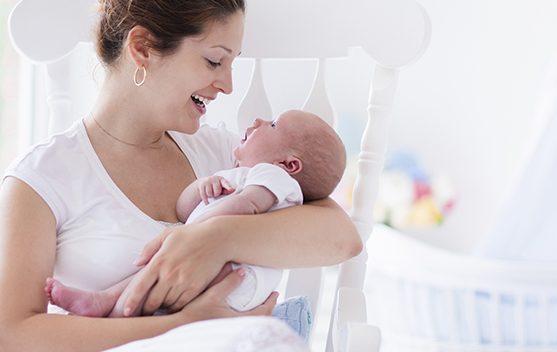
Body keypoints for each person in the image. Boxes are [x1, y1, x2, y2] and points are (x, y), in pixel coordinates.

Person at [0, 0, 361, 352]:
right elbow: (7, 351)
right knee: (265, 351)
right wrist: (188, 324)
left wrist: (215, 238)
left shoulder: (227, 154)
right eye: (214, 61)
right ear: (142, 48)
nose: (228, 85)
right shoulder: (43, 179)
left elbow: (341, 237)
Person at [44, 109, 346, 317]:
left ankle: (107, 304)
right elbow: (183, 208)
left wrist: (197, 232)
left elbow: (248, 206)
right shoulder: (239, 173)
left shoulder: (275, 178)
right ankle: (106, 302)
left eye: (273, 125)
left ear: (290, 164)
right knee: (158, 273)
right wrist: (203, 187)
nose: (258, 120)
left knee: (162, 269)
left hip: (237, 276)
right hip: (227, 275)